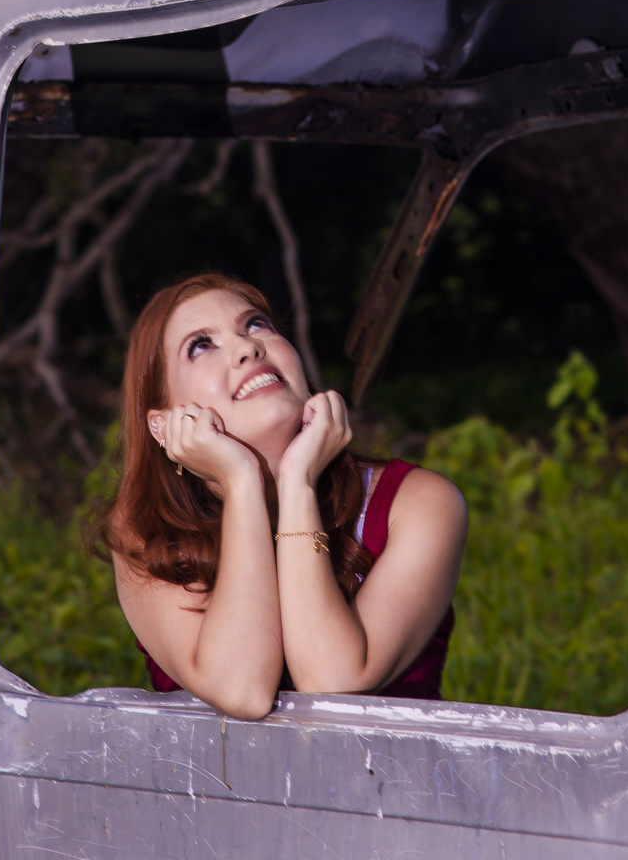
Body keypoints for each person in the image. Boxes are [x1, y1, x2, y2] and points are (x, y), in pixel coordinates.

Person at [98, 271, 467, 720]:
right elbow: (242, 689)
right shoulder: (142, 529)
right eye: (201, 345)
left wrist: (298, 483)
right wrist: (241, 482)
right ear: (164, 423)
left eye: (256, 325)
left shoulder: (417, 503)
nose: (248, 347)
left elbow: (333, 683)